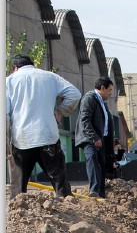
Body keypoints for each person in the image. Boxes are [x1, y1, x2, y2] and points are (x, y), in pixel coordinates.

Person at [6, 54, 81, 200]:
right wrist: (61, 111)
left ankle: (19, 215)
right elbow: (75, 94)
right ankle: (69, 212)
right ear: (32, 64)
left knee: (18, 190)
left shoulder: (8, 82)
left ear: (15, 67)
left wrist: (6, 140)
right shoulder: (49, 77)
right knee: (60, 183)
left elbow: (5, 115)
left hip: (21, 140)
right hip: (48, 136)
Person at [75, 77, 114, 198]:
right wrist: (94, 137)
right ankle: (94, 190)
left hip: (100, 139)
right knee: (92, 159)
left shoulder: (102, 103)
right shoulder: (89, 99)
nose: (111, 93)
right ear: (102, 88)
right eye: (110, 90)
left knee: (101, 164)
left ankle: (100, 194)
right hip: (89, 138)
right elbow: (85, 120)